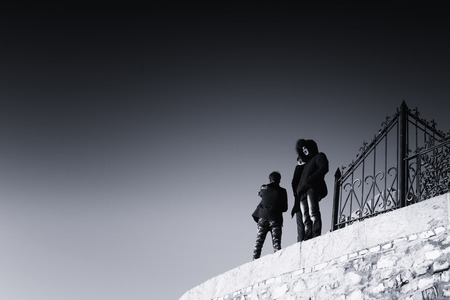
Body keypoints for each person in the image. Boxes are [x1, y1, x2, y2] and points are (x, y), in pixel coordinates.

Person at [291, 139, 329, 242]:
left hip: (311, 189)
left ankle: (316, 234)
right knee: (305, 218)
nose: (304, 150)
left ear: (311, 146)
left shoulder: (319, 156)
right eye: (302, 149)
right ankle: (308, 238)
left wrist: (312, 178)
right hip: (302, 192)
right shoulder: (306, 164)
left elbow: (324, 168)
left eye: (305, 148)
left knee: (313, 213)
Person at [252, 171, 288, 260]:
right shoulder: (283, 191)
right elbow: (285, 208)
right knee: (277, 244)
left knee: (258, 244)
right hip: (275, 219)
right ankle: (278, 261)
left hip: (263, 217)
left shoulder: (263, 187)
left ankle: (254, 262)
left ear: (270, 179)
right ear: (279, 180)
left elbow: (261, 194)